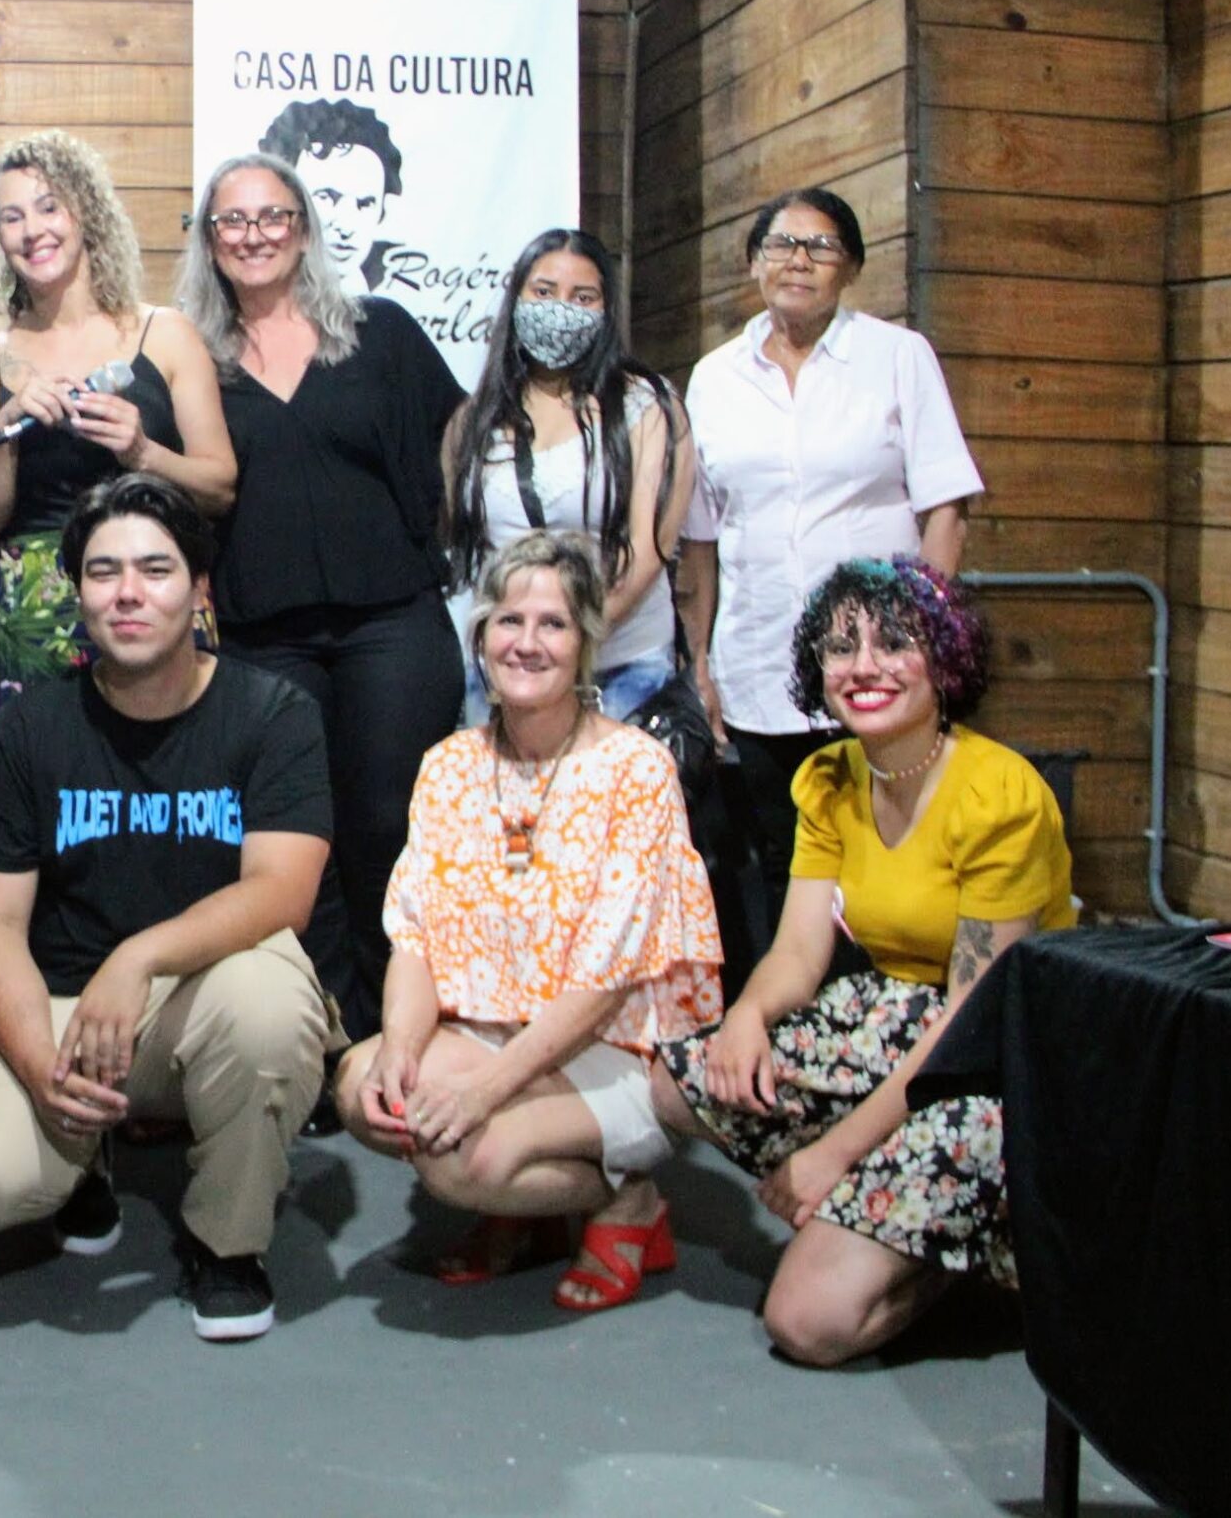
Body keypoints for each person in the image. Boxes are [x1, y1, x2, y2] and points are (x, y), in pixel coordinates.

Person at [0, 474, 334, 1343]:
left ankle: (228, 1241)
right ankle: (79, 1160)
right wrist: (40, 1069)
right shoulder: (30, 731)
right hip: (64, 1010)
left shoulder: (272, 713)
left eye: (156, 568)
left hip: (202, 1000)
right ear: (78, 596)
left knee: (268, 1006)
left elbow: (281, 891)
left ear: (200, 589)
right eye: (103, 572)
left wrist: (137, 957)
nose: (128, 592)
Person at [654, 558, 1070, 1364]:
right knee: (687, 1077)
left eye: (894, 643)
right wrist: (746, 1014)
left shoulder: (999, 796)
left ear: (945, 660)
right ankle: (885, 1201)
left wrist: (832, 1155)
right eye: (841, 647)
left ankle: (966, 1245)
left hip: (996, 1057)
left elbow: (970, 1018)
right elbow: (799, 949)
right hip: (894, 1016)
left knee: (805, 1323)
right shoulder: (831, 778)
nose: (864, 665)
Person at [336, 531, 722, 1309]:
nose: (526, 642)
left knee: (460, 1161)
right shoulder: (449, 766)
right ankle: (532, 1212)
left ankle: (630, 1200)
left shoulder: (636, 770)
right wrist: (401, 1052)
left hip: (618, 1048)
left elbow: (605, 983)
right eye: (508, 620)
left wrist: (483, 1093)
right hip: (493, 1032)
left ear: (585, 644)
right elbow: (415, 937)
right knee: (359, 1087)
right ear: (481, 636)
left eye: (553, 624)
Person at [176, 151, 464, 1048]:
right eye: (233, 220)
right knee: (300, 841)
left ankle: (403, 1032)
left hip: (393, 621)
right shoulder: (195, 362)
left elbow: (456, 444)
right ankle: (329, 1037)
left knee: (390, 825)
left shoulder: (382, 331)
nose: (254, 234)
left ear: (303, 229)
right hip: (264, 636)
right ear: (209, 240)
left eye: (273, 216)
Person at [679, 187, 983, 935]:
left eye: (821, 247)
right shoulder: (714, 377)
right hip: (757, 663)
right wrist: (700, 662)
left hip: (880, 664)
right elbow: (701, 539)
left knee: (891, 856)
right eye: (782, 244)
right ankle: (800, 999)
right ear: (754, 263)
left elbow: (946, 507)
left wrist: (926, 638)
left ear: (850, 268)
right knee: (784, 863)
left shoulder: (897, 357)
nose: (799, 261)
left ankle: (888, 997)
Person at [0, 129, 237, 714]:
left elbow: (220, 488)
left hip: (154, 602)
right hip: (32, 624)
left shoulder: (166, 334)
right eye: (11, 217)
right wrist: (7, 433)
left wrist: (142, 453)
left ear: (85, 210)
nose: (32, 230)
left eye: (48, 207)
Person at [439, 228, 694, 723]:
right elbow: (462, 545)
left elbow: (650, 548)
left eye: (583, 297)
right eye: (544, 291)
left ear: (606, 309)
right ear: (516, 299)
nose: (561, 308)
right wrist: (526, 643)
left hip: (622, 669)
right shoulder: (474, 420)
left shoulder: (647, 406)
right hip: (506, 672)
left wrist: (574, 637)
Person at [258, 98, 405, 294]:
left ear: (382, 211)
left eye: (364, 204)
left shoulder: (392, 305)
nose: (346, 227)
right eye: (326, 198)